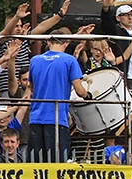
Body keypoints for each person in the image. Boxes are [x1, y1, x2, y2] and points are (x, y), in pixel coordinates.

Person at [27, 30, 91, 162]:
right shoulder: (70, 60)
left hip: (36, 118)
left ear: (49, 42)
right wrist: (87, 95)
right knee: (57, 163)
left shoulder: (35, 60)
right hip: (56, 119)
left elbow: (31, 87)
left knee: (36, 163)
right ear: (66, 43)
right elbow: (79, 90)